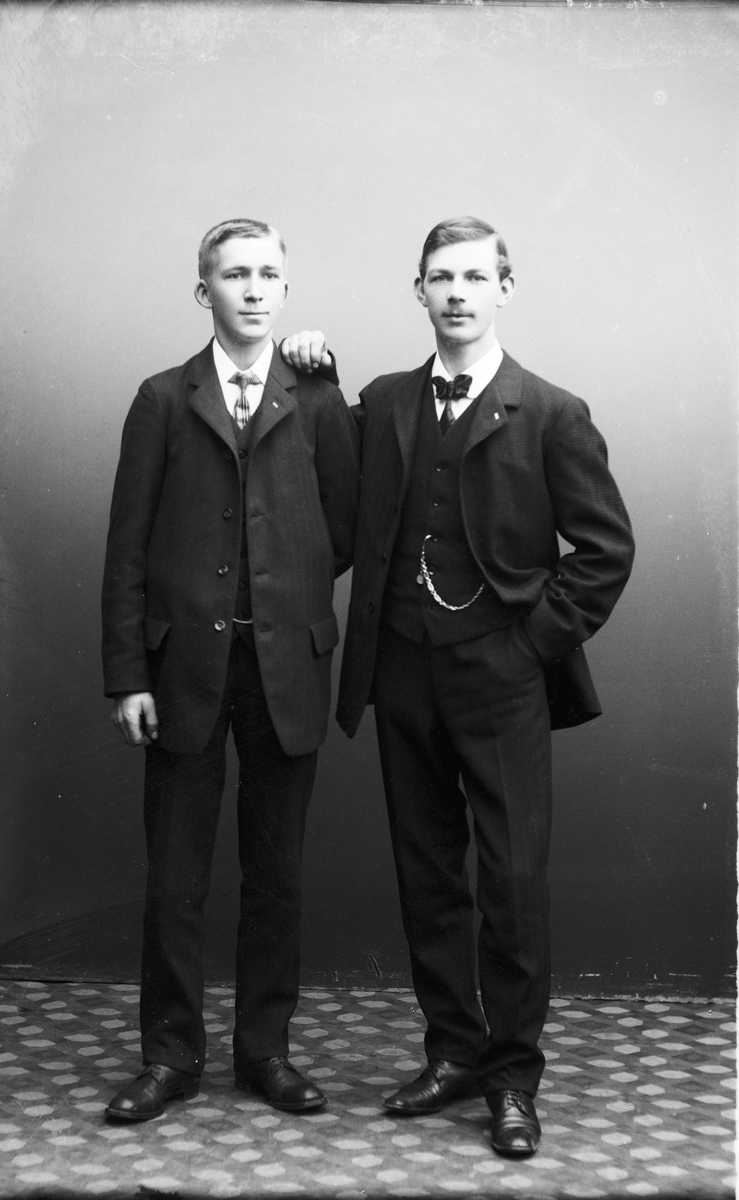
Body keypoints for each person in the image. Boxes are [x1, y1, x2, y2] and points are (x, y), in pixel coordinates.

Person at [281, 216, 634, 1156]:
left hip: (500, 677)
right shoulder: (384, 399)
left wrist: (528, 648)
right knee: (428, 874)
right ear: (420, 291)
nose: (458, 293)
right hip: (400, 669)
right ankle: (453, 1053)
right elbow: (324, 473)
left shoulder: (551, 411)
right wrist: (311, 369)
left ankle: (512, 1080)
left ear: (504, 289)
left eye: (476, 277)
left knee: (510, 882)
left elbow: (605, 551)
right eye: (441, 278)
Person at [101, 218, 359, 1121]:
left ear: (285, 288)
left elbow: (344, 529)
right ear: (202, 289)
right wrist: (129, 675)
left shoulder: (316, 397)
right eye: (234, 274)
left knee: (275, 874)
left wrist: (279, 590)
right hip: (182, 671)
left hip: (285, 667)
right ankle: (170, 1057)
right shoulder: (161, 399)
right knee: (175, 875)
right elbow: (127, 548)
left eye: (267, 274)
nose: (252, 289)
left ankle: (265, 1052)